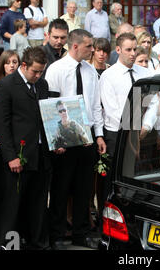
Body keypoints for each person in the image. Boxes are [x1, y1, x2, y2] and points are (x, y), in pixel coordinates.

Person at [45, 29, 106, 250]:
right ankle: (57, 233)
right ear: (75, 46)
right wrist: (56, 141)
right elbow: (51, 107)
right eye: (89, 46)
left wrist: (98, 134)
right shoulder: (56, 70)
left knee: (84, 189)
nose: (93, 50)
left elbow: (96, 106)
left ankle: (81, 232)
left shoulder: (90, 71)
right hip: (64, 139)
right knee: (61, 188)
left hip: (87, 138)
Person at [0, 47, 51, 250]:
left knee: (38, 203)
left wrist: (54, 142)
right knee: (12, 206)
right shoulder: (6, 86)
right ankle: (10, 246)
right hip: (18, 157)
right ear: (23, 65)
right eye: (35, 71)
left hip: (41, 155)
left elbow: (46, 117)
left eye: (41, 71)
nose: (38, 75)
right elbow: (1, 125)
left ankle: (38, 243)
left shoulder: (42, 84)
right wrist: (10, 157)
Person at [100, 32, 153, 208]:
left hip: (140, 133)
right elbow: (112, 109)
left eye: (134, 49)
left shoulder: (145, 73)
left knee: (135, 177)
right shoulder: (109, 76)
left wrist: (146, 125)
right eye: (128, 50)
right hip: (117, 134)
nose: (132, 53)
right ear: (118, 50)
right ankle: (106, 218)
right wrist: (132, 128)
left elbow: (154, 100)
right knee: (112, 179)